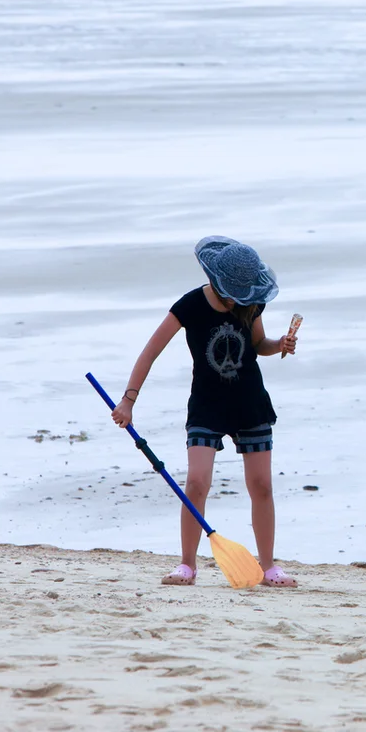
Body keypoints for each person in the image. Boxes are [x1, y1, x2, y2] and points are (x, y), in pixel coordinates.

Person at [111, 236, 299, 587]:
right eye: (235, 292)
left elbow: (258, 345)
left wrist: (280, 345)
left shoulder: (250, 303)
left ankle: (269, 567)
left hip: (250, 402)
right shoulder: (190, 305)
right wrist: (128, 401)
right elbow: (150, 352)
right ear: (217, 281)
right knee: (196, 482)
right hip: (207, 405)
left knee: (261, 485)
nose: (240, 299)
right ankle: (187, 565)